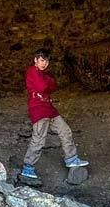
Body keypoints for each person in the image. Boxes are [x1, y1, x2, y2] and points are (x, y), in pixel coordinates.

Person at [20, 49, 89, 181]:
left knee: (65, 130)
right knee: (39, 138)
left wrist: (48, 83)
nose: (44, 63)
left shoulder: (43, 74)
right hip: (38, 108)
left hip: (49, 108)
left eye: (46, 61)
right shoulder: (32, 71)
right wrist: (48, 83)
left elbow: (53, 86)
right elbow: (42, 87)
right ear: (35, 60)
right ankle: (28, 167)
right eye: (41, 60)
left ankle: (71, 159)